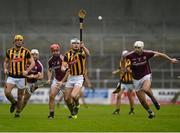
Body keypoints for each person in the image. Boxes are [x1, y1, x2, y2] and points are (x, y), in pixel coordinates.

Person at [121, 41, 179, 119]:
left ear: (142, 48)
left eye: (138, 48)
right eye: (135, 47)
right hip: (136, 79)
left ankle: (154, 100)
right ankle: (151, 113)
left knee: (145, 89)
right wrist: (123, 68)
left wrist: (170, 59)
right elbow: (123, 58)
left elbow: (160, 54)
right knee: (142, 101)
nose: (136, 49)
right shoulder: (130, 55)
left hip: (146, 75)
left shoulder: (147, 53)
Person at [3, 34, 35, 118]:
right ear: (14, 41)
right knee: (7, 92)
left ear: (22, 42)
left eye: (20, 40)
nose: (19, 41)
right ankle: (14, 103)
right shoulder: (9, 51)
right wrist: (5, 69)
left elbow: (32, 62)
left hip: (21, 77)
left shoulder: (26, 52)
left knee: (20, 96)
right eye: (17, 40)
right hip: (12, 76)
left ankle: (17, 113)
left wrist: (27, 71)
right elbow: (6, 61)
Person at [63, 38, 90, 119]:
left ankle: (77, 105)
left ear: (79, 45)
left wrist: (84, 47)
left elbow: (88, 54)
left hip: (79, 77)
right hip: (70, 77)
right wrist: (65, 69)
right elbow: (63, 66)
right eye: (74, 43)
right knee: (67, 99)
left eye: (77, 43)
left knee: (74, 96)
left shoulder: (81, 53)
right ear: (71, 45)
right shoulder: (67, 54)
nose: (76, 44)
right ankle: (73, 113)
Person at [47, 43, 68, 118]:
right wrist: (49, 79)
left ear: (59, 50)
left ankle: (73, 112)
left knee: (67, 99)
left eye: (57, 50)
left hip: (66, 80)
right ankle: (51, 114)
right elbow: (49, 70)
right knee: (51, 96)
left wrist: (62, 81)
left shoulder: (63, 58)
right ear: (51, 52)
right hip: (56, 80)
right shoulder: (50, 61)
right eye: (54, 51)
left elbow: (68, 72)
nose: (55, 52)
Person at [112, 50, 135, 115]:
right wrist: (116, 72)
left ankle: (132, 110)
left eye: (125, 55)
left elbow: (133, 72)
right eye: (123, 55)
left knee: (130, 97)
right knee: (118, 95)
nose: (124, 56)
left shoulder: (131, 61)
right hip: (122, 81)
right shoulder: (121, 62)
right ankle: (117, 110)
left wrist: (129, 71)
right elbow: (120, 69)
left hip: (130, 82)